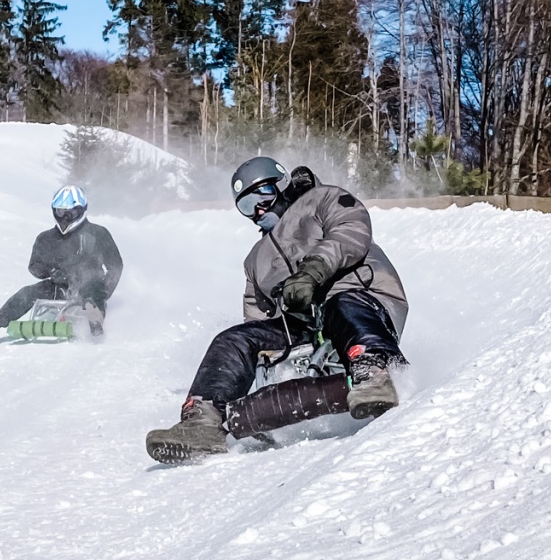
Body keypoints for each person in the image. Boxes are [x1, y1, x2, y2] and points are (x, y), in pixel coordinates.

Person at [145, 157, 409, 463]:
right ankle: (203, 421)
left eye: (262, 196)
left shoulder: (322, 199)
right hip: (307, 327)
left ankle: (372, 371)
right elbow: (257, 317)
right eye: (246, 206)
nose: (257, 210)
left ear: (280, 184)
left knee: (341, 302)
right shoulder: (255, 260)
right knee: (232, 340)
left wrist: (313, 271)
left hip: (363, 299)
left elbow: (352, 229)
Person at [0, 185, 123, 341]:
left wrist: (104, 290)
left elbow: (116, 266)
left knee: (94, 288)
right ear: (54, 210)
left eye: (71, 213)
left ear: (82, 210)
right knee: (28, 292)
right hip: (59, 288)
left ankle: (95, 317)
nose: (65, 218)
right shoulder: (46, 239)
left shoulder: (98, 234)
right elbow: (35, 267)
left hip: (90, 288)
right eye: (61, 212)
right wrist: (52, 271)